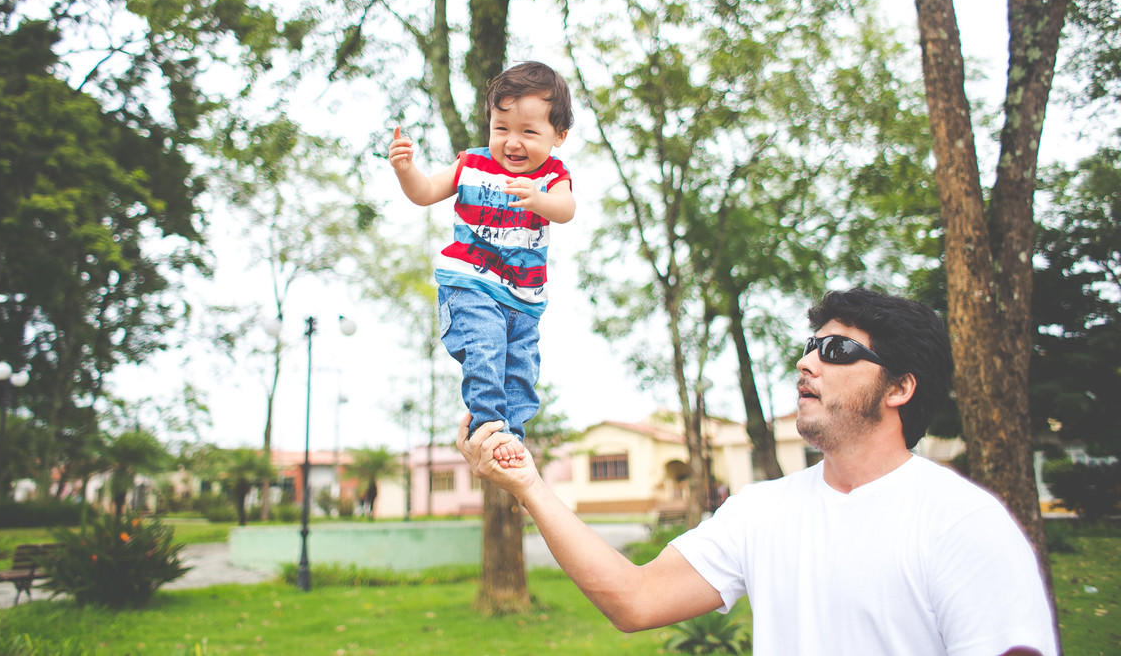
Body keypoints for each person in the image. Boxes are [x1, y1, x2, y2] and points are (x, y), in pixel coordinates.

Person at [458, 287, 1058, 655]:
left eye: (838, 350)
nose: (806, 362)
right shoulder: (762, 509)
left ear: (900, 387)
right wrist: (530, 486)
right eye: (810, 345)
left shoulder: (963, 524)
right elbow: (635, 600)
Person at [390, 61, 575, 468]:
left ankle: (512, 437)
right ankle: (489, 426)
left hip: (523, 300)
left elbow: (566, 209)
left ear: (558, 136)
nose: (512, 142)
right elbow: (424, 193)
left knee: (521, 369)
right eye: (501, 129)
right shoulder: (470, 164)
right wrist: (407, 171)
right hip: (471, 284)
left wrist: (538, 199)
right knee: (486, 349)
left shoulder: (552, 176)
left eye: (529, 132)